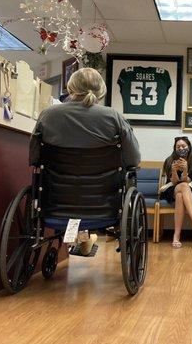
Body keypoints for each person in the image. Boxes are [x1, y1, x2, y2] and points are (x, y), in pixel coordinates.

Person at [29, 67, 141, 253]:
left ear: (71, 87)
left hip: (55, 204)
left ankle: (82, 241)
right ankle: (86, 241)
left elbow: (34, 158)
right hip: (104, 208)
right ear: (101, 90)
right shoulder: (113, 118)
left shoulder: (48, 115)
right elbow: (133, 159)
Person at [160, 137, 192, 248]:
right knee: (182, 186)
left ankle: (176, 237)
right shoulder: (169, 160)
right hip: (172, 188)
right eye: (178, 147)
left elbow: (187, 180)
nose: (181, 148)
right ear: (174, 148)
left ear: (189, 147)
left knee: (181, 195)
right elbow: (175, 182)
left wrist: (185, 170)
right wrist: (174, 171)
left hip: (188, 190)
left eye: (183, 146)